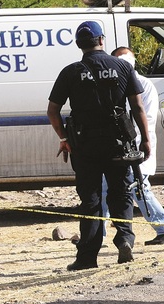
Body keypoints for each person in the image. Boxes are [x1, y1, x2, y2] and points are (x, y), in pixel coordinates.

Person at [47, 21, 150, 271]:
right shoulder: (123, 66)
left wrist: (64, 138)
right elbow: (137, 106)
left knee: (90, 199)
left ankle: (87, 257)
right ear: (101, 40)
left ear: (78, 44)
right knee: (121, 193)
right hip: (119, 145)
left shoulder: (70, 71)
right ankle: (125, 238)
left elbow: (52, 111)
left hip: (85, 146)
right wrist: (145, 139)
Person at [101, 47, 164, 245]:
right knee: (105, 187)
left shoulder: (142, 85)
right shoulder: (116, 84)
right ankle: (97, 233)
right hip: (119, 146)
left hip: (135, 147)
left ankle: (162, 226)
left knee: (139, 188)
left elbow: (144, 117)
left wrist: (135, 143)